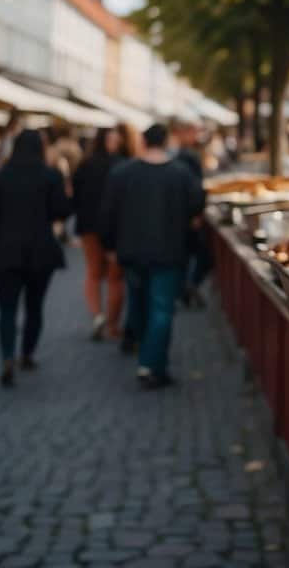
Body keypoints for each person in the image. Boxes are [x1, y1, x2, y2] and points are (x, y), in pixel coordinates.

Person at [100, 124, 205, 388]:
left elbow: (108, 213)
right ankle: (151, 365)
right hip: (168, 251)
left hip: (132, 251)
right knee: (161, 309)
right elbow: (197, 204)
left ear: (144, 142)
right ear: (166, 141)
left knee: (139, 305)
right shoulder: (180, 173)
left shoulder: (122, 173)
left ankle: (146, 355)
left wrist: (110, 247)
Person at [0, 129, 72, 386]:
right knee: (34, 307)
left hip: (6, 252)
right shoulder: (50, 176)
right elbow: (62, 210)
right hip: (40, 252)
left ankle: (7, 356)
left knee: (7, 309)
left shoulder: (0, 178)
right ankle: (26, 353)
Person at [73, 127, 129, 339]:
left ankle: (98, 316)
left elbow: (75, 196)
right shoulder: (124, 165)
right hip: (117, 228)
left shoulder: (86, 164)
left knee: (94, 273)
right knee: (115, 277)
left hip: (89, 226)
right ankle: (113, 325)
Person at [171, 119, 209, 308]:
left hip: (178, 214)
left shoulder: (178, 156)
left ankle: (185, 289)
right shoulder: (189, 157)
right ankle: (189, 286)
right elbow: (196, 188)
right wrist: (197, 213)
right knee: (202, 255)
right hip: (189, 214)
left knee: (184, 256)